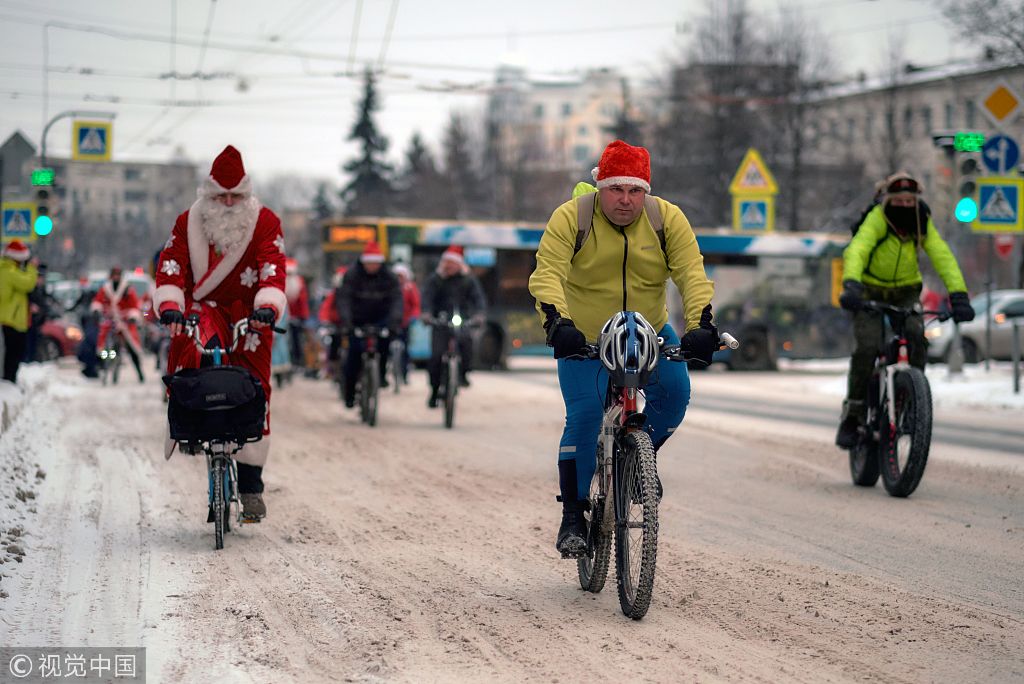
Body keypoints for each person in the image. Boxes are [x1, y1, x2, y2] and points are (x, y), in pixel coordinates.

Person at [527, 139, 717, 558]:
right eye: (616, 189)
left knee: (677, 393)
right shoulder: (571, 217)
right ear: (600, 187)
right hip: (586, 333)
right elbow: (547, 274)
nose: (626, 200)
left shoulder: (666, 219)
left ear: (646, 192)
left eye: (635, 191)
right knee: (585, 417)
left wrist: (702, 323)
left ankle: (635, 466)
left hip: (649, 329)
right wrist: (558, 324)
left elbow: (691, 272)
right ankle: (574, 515)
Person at [155, 144, 287, 520]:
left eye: (236, 195)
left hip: (251, 315)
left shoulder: (265, 222)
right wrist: (170, 307)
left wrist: (267, 305)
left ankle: (250, 485)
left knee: (256, 385)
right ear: (208, 193)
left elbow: (273, 267)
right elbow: (172, 267)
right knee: (195, 365)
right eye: (220, 196)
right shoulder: (187, 222)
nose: (228, 203)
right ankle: (196, 432)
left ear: (246, 193)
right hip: (202, 311)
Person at [835, 171, 975, 449]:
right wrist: (851, 284)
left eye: (910, 201)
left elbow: (942, 255)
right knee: (867, 346)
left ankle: (913, 402)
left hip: (906, 291)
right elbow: (858, 249)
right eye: (898, 201)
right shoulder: (878, 218)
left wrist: (959, 295)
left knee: (916, 335)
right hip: (869, 291)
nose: (904, 206)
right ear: (889, 201)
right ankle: (853, 416)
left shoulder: (921, 221)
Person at [335, 241, 402, 408]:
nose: (372, 266)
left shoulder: (390, 277)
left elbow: (397, 300)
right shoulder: (351, 275)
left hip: (381, 318)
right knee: (354, 354)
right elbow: (344, 299)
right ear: (364, 262)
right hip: (357, 319)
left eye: (375, 263)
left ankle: (380, 376)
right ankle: (349, 392)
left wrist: (394, 321)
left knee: (385, 345)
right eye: (369, 263)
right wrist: (347, 321)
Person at [420, 245, 486, 407]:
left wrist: (478, 315)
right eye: (446, 262)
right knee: (435, 356)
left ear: (459, 264)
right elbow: (427, 298)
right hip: (440, 321)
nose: (448, 266)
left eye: (452, 263)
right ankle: (434, 390)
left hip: (462, 320)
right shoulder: (435, 279)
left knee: (467, 344)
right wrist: (427, 314)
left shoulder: (469, 280)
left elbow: (478, 300)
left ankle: (463, 374)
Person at [91, 266, 146, 383]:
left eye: (118, 275)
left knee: (131, 346)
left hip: (124, 321)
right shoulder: (105, 289)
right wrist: (97, 309)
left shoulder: (127, 289)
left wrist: (132, 316)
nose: (116, 277)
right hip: (110, 320)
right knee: (102, 340)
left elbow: (134, 305)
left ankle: (139, 372)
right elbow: (98, 301)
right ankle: (102, 364)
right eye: (114, 275)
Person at [0, 241, 38, 383]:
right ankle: (9, 381)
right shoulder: (8, 271)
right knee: (13, 353)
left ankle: (10, 380)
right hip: (10, 319)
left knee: (14, 353)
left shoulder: (9, 270)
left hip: (13, 318)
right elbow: (28, 284)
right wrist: (31, 268)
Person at [392, 262, 421, 384]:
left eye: (401, 275)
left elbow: (416, 304)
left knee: (405, 348)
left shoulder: (410, 288)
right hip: (392, 322)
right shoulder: (389, 287)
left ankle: (404, 373)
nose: (399, 278)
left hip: (405, 322)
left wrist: (414, 317)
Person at [284, 258, 310, 370]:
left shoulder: (299, 283)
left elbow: (303, 301)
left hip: (296, 317)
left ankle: (297, 361)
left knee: (297, 339)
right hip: (282, 317)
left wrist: (303, 317)